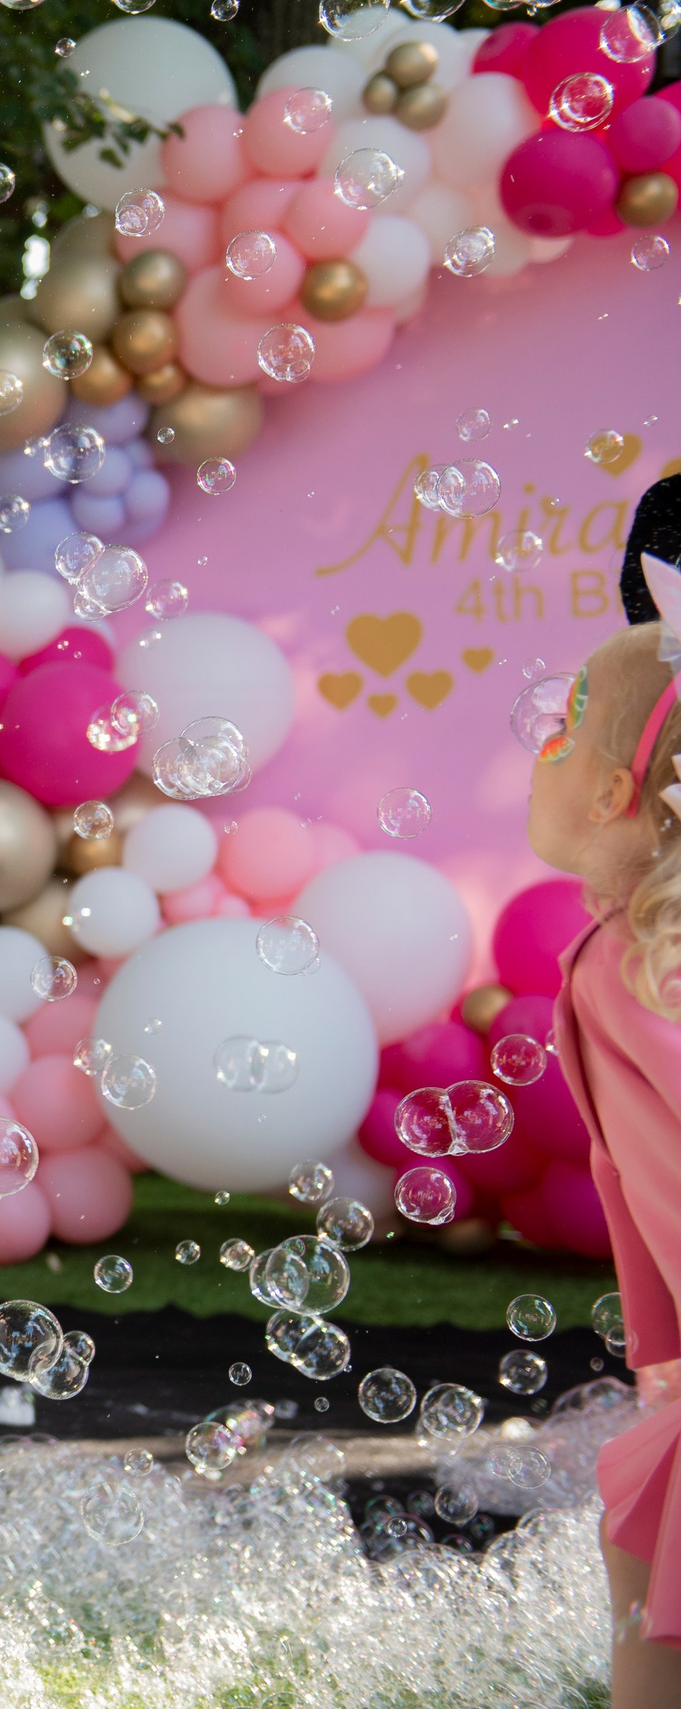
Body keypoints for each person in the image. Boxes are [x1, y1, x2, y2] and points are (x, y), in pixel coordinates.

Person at [523, 566, 681, 1707]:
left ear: (612, 792)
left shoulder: (641, 968)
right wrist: (659, 1346)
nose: (538, 749)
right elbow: (626, 1176)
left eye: (560, 732)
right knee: (642, 1512)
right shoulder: (626, 955)